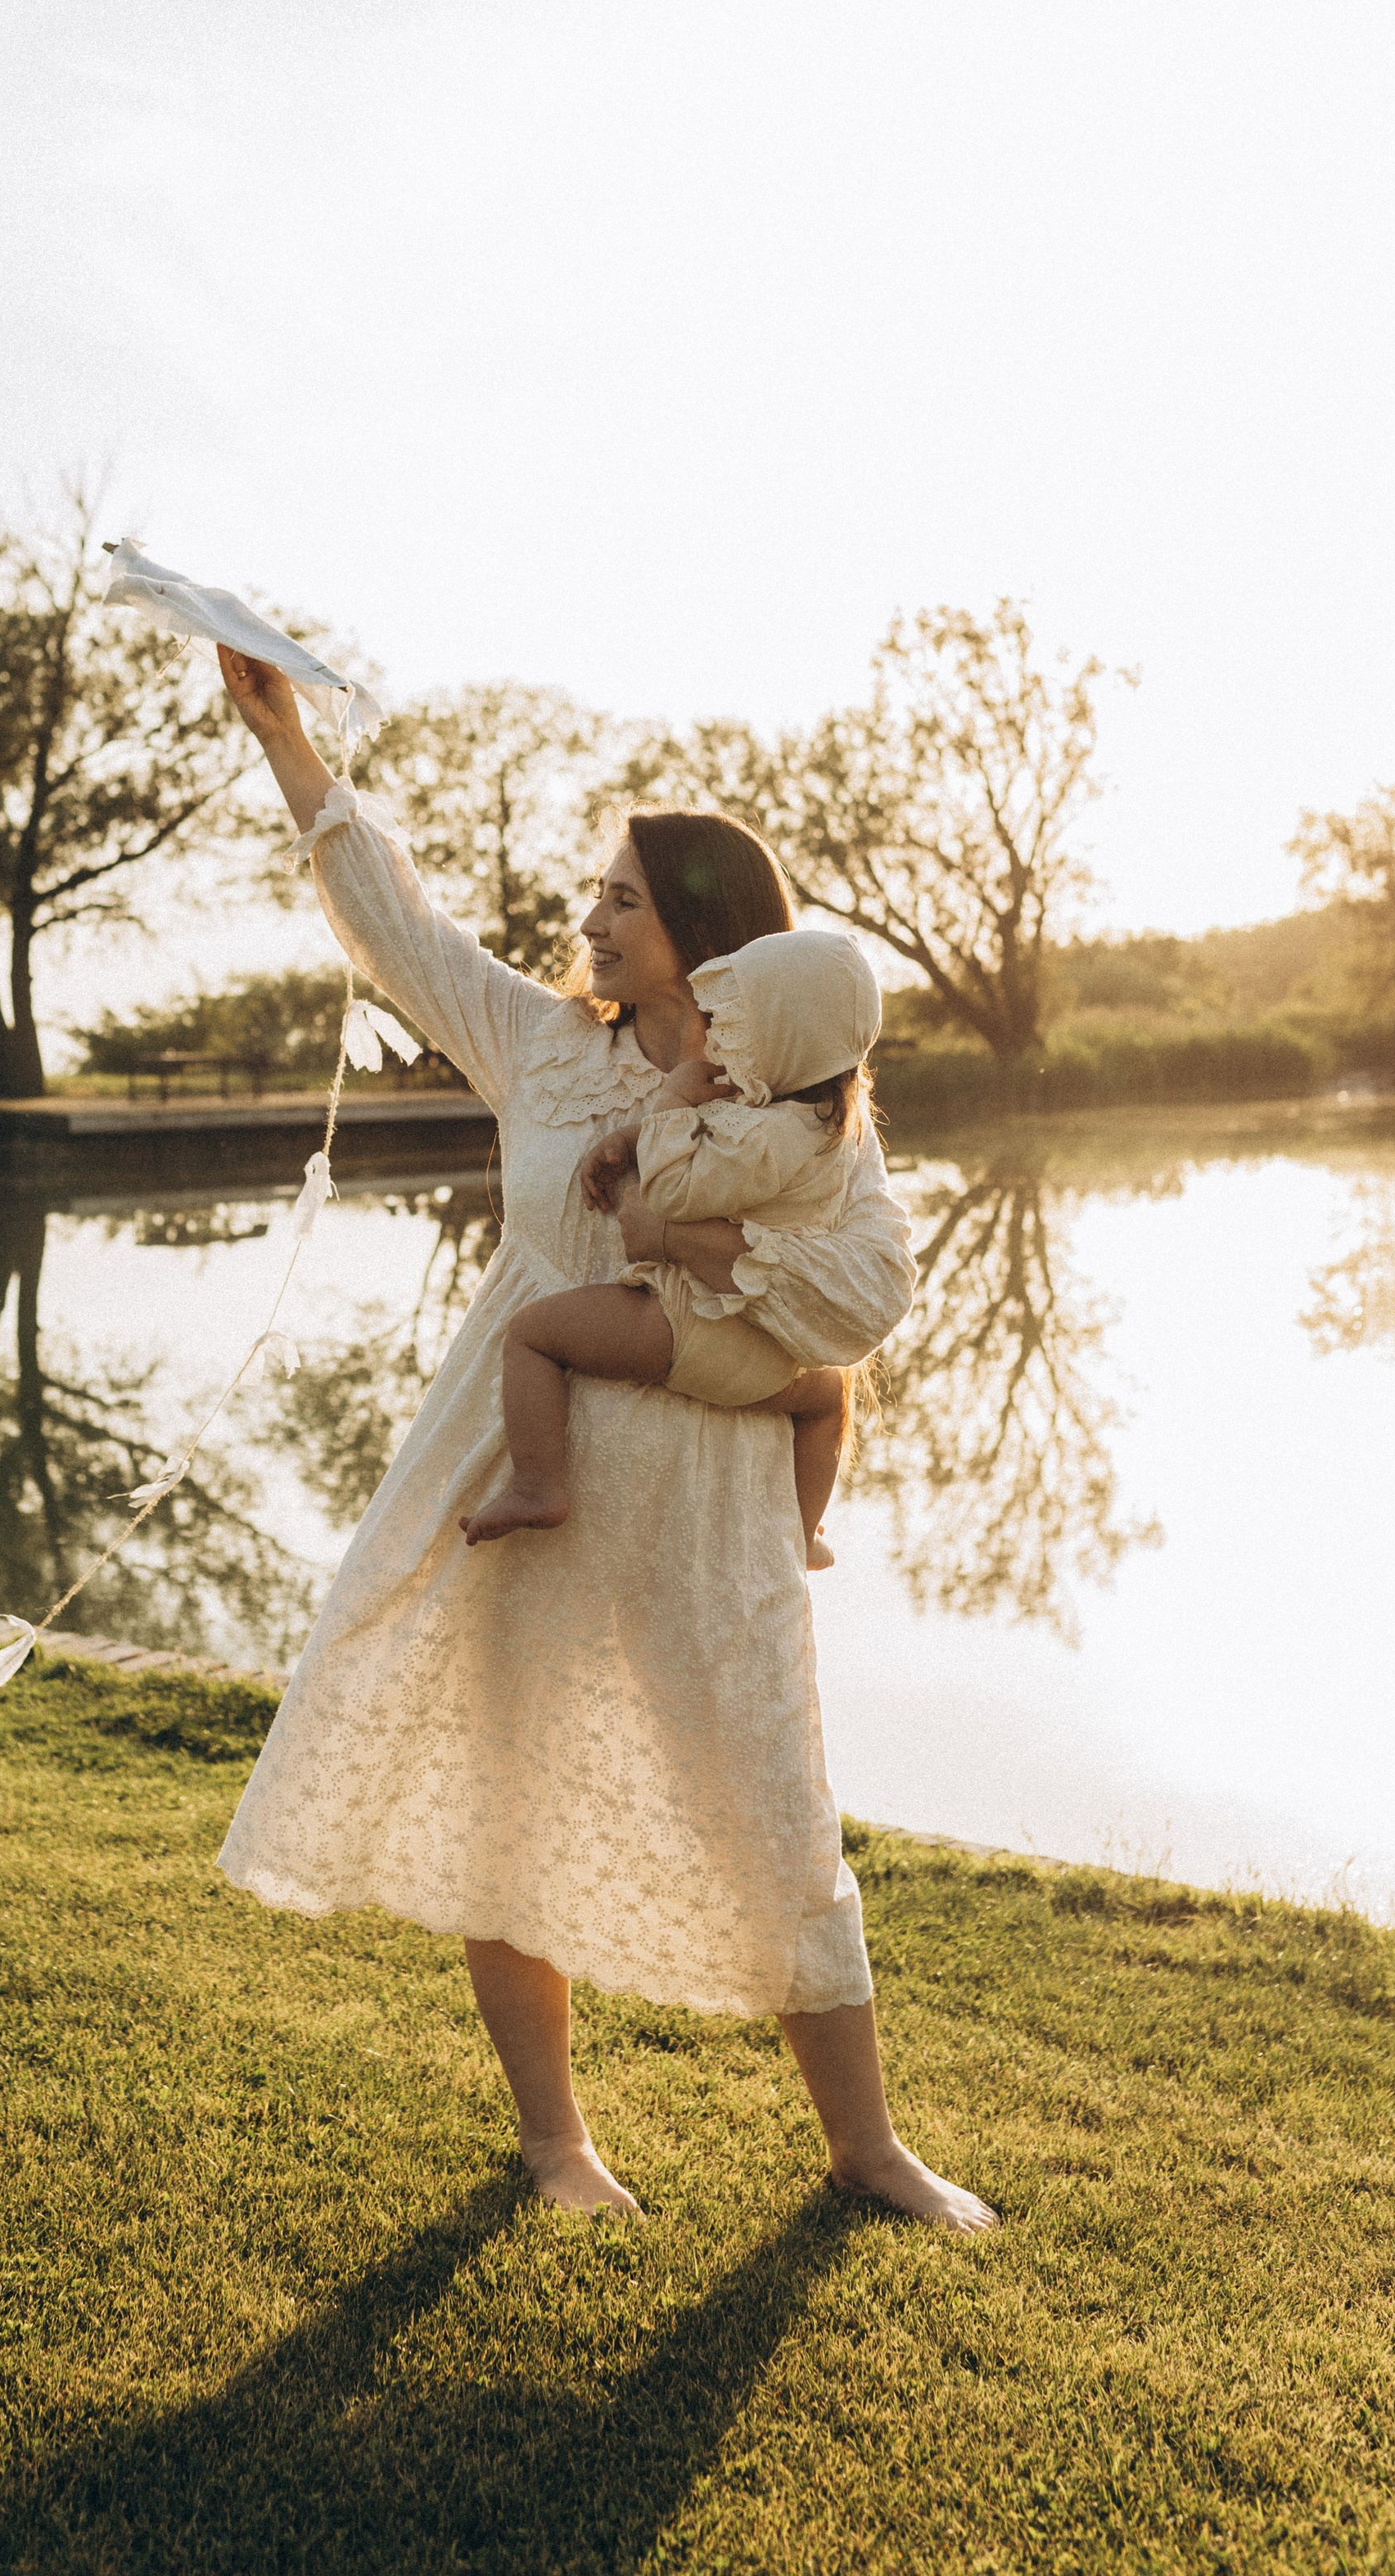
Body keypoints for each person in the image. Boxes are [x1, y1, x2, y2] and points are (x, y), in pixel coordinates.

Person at [212, 647, 995, 2233]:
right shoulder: (541, 1046)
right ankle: (555, 2145)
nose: (591, 917)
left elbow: (855, 1297)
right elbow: (396, 923)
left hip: (708, 1494)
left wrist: (706, 1262)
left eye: (622, 898)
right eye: (598, 891)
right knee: (505, 1794)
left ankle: (864, 2148)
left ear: (703, 937)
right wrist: (285, 741)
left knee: (768, 1793)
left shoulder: (799, 1105)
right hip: (525, 1470)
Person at [462, 927, 886, 1571]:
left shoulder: (761, 1136)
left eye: (734, 1031)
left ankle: (538, 1485)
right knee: (830, 1398)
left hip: (694, 1325)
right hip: (777, 1354)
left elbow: (672, 1191)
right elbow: (722, 1158)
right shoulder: (829, 1131)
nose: (717, 1043)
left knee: (532, 1335)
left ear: (780, 1041)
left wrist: (669, 1101)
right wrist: (635, 1136)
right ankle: (803, 1531)